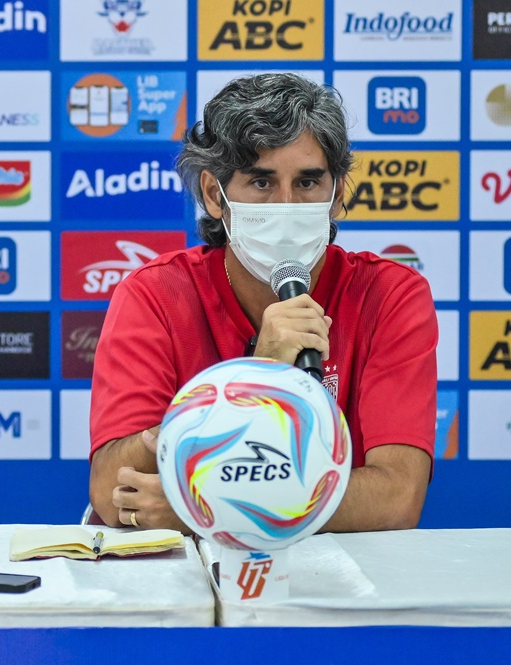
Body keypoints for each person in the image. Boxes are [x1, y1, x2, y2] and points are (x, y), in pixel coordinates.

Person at [89, 73, 436, 532]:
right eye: (261, 182)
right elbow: (115, 491)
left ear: (337, 196)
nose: (288, 204)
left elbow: (396, 499)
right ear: (215, 195)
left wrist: (205, 507)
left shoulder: (390, 295)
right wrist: (257, 375)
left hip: (331, 584)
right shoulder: (155, 294)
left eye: (309, 182)